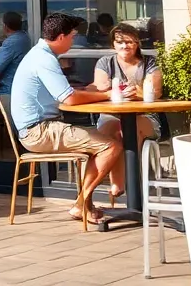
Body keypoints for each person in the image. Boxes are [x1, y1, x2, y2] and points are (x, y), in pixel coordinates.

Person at [10, 12, 122, 225]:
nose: (73, 41)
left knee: (95, 145)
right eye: (72, 36)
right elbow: (69, 99)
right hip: (38, 131)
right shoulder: (44, 59)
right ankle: (81, 205)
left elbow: (65, 93)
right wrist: (106, 95)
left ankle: (84, 205)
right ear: (61, 37)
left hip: (39, 127)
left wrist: (89, 91)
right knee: (110, 147)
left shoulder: (39, 54)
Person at [93, 22, 162, 200]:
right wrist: (112, 90)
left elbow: (155, 91)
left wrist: (136, 92)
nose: (125, 46)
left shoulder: (149, 63)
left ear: (137, 43)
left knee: (129, 130)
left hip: (145, 116)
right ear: (113, 44)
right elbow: (100, 86)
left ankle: (134, 187)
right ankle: (120, 184)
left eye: (130, 42)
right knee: (115, 131)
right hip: (111, 115)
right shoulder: (105, 62)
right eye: (120, 42)